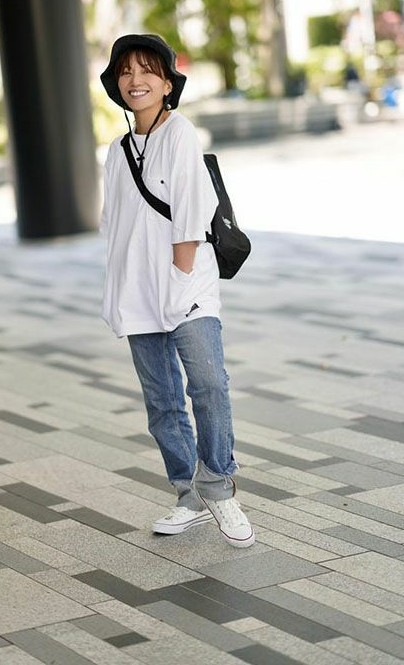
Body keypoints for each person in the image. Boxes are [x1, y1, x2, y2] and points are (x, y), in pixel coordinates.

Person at [98, 34, 254, 548]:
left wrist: (180, 282)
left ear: (167, 83)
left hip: (187, 288)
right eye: (125, 72)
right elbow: (114, 227)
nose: (135, 80)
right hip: (137, 293)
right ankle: (189, 494)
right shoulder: (117, 152)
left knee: (208, 384)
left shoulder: (180, 132)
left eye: (147, 71)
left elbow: (188, 215)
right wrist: (116, 295)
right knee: (162, 403)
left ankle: (218, 485)